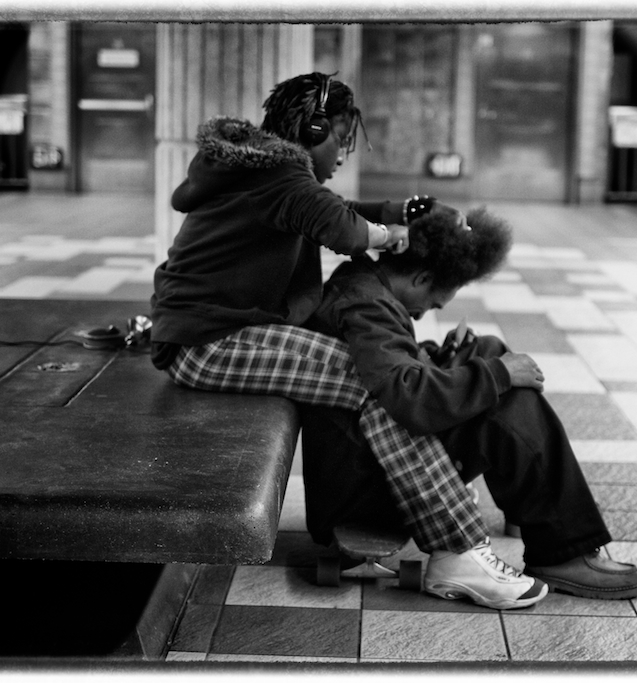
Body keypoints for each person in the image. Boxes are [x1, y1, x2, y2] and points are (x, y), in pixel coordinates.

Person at [149, 72, 545, 609]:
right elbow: (341, 228)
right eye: (340, 138)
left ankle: (444, 533)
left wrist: (386, 210)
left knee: (374, 379)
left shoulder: (262, 169)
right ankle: (457, 550)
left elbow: (327, 203)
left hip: (206, 334)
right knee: (375, 385)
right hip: (209, 342)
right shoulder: (284, 176)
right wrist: (389, 233)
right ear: (314, 130)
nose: (341, 154)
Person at [301, 207, 637, 602]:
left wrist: (438, 355)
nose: (423, 311)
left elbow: (383, 371)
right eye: (433, 301)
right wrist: (496, 375)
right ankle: (560, 550)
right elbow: (404, 396)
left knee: (488, 351)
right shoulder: (365, 306)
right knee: (503, 397)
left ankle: (536, 508)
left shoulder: (363, 282)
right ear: (422, 277)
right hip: (361, 494)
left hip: (366, 460)